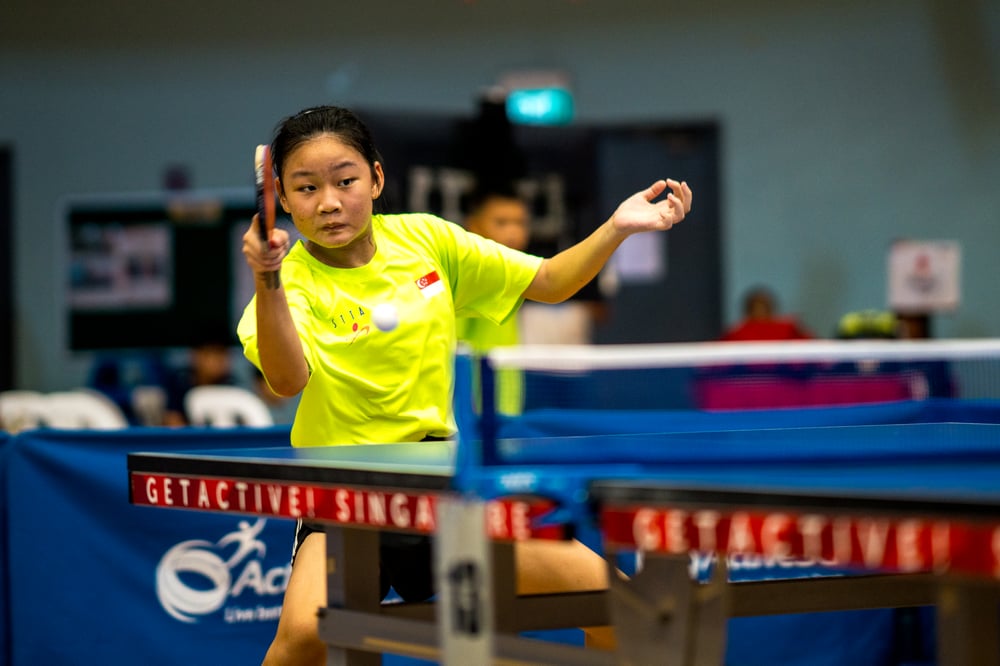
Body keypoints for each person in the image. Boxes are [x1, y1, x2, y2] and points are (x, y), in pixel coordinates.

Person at [238, 105, 692, 665]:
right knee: (307, 638)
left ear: (376, 179)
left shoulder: (427, 241)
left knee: (616, 601)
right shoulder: (291, 284)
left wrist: (618, 226)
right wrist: (268, 280)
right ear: (282, 198)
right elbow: (287, 381)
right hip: (344, 496)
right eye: (306, 188)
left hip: (445, 485)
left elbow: (547, 280)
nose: (328, 202)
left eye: (345, 180)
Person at [456, 186, 532, 415]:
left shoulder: (511, 275)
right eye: (501, 222)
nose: (513, 233)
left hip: (507, 406)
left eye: (520, 223)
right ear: (474, 226)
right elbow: (452, 348)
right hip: (474, 409)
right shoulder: (471, 275)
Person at [720, 285, 812, 341]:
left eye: (763, 308)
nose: (760, 312)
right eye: (756, 308)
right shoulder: (736, 334)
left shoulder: (789, 329)